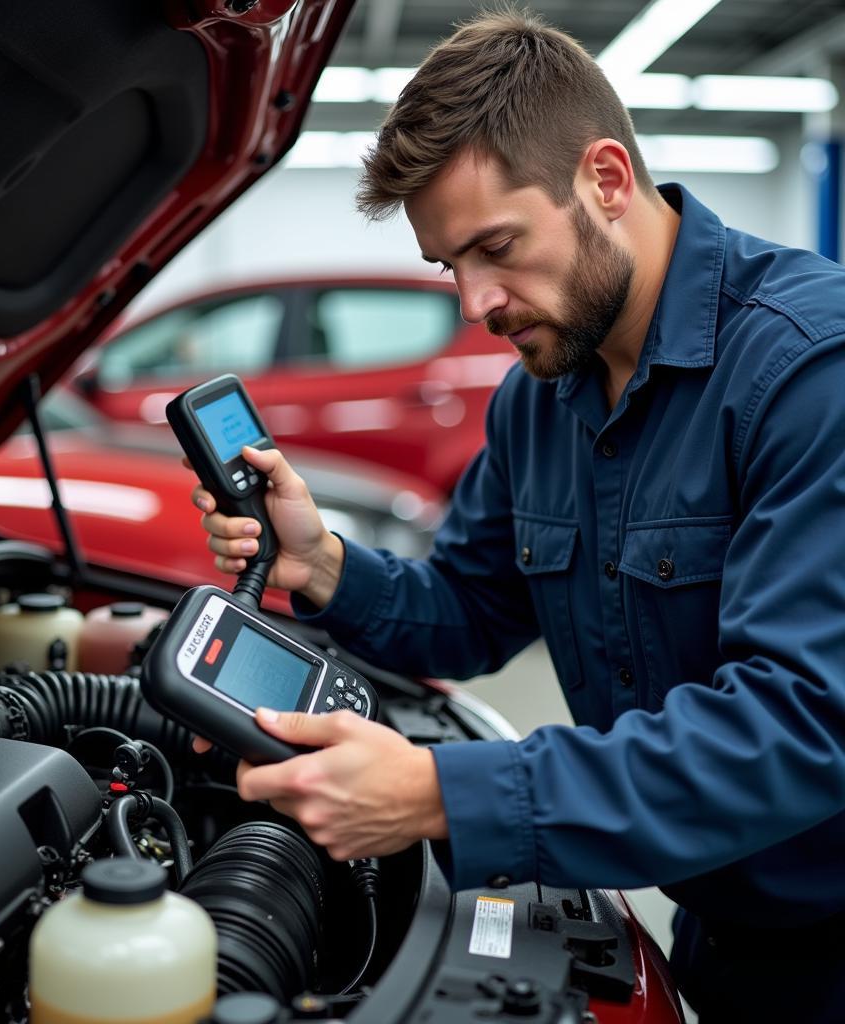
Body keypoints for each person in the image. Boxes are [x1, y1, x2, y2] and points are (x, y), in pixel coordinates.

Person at [190, 9, 845, 1021]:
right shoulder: (536, 400)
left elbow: (798, 723)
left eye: (495, 246)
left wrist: (445, 793)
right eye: (449, 266)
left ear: (605, 180)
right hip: (718, 923)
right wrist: (319, 561)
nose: (475, 303)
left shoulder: (807, 369)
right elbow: (472, 606)